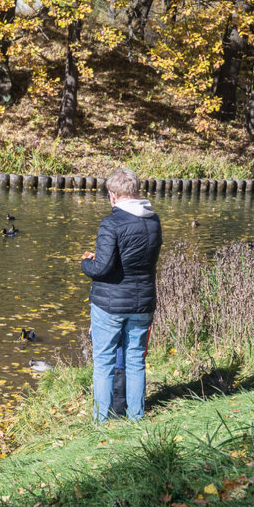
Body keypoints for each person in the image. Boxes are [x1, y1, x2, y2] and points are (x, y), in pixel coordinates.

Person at [81, 167, 162, 422]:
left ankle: (101, 421)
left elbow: (102, 267)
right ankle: (136, 417)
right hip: (143, 302)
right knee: (136, 361)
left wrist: (86, 263)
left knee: (104, 363)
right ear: (137, 191)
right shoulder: (153, 221)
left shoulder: (111, 223)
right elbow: (137, 259)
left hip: (110, 304)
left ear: (112, 195)